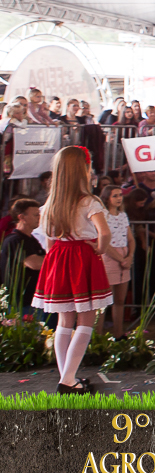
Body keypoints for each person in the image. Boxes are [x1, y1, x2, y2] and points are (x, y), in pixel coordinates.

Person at [31, 146, 113, 395]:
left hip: (58, 258)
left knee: (64, 321)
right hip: (81, 257)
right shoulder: (89, 201)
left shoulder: (49, 204)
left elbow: (48, 241)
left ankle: (69, 377)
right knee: (85, 319)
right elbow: (105, 233)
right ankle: (68, 379)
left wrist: (55, 258)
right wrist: (99, 249)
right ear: (83, 170)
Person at [99, 187, 132, 338]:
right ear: (107, 198)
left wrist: (129, 256)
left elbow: (130, 239)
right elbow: (104, 242)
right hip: (109, 256)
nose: (119, 198)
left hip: (124, 255)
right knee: (104, 300)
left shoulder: (123, 215)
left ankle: (118, 333)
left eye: (120, 195)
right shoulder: (103, 216)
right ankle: (98, 336)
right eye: (115, 196)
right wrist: (121, 259)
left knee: (120, 299)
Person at [0, 199, 44, 313]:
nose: (39, 218)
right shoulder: (15, 240)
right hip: (19, 303)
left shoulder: (31, 240)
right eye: (35, 215)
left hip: (32, 301)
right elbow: (34, 263)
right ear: (22, 217)